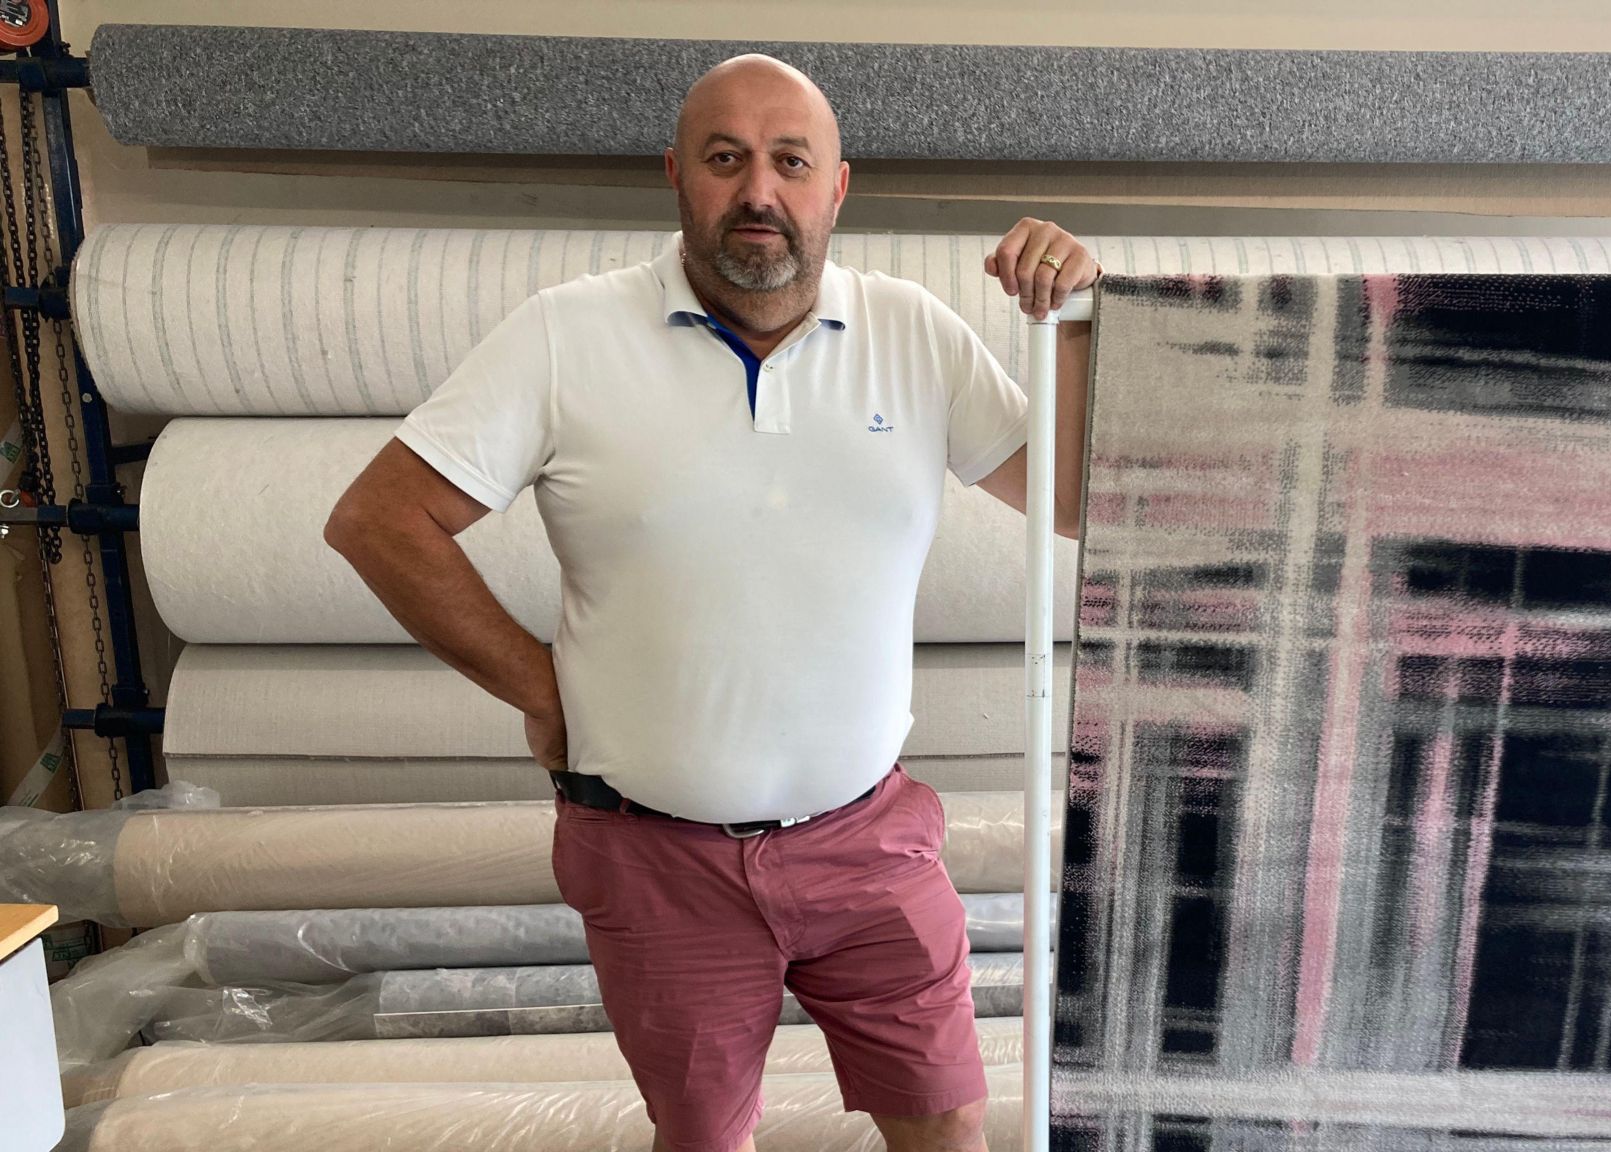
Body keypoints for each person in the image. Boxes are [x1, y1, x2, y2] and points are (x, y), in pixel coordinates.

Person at [323, 53, 1096, 1152]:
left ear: (836, 188)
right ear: (675, 175)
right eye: (725, 159)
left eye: (791, 161)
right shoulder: (566, 337)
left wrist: (1071, 320)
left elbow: (1070, 498)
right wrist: (539, 686)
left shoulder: (913, 335)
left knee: (947, 1131)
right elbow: (378, 520)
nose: (758, 192)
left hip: (866, 841)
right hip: (656, 857)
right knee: (702, 1139)